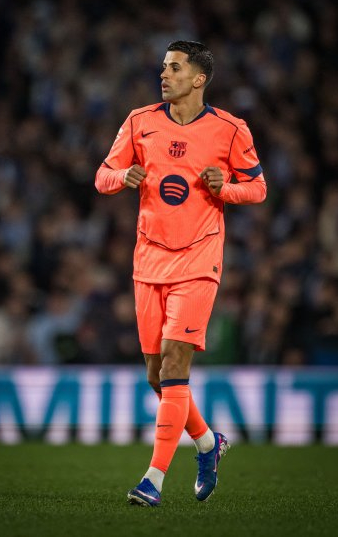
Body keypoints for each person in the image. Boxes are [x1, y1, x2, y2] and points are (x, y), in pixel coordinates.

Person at [95, 40, 267, 507]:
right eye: (163, 67)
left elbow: (257, 188)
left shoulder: (230, 129)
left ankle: (152, 480)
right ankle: (209, 443)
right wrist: (122, 178)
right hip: (149, 259)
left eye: (174, 68)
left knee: (175, 364)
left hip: (198, 259)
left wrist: (226, 188)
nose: (164, 75)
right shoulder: (139, 121)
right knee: (157, 376)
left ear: (199, 78)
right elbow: (102, 175)